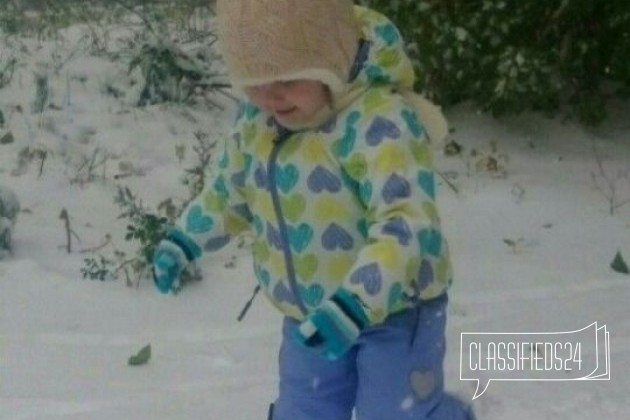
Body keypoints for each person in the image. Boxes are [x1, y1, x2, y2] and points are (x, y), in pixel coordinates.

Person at [152, 1, 474, 419]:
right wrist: (185, 240)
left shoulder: (379, 122)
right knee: (304, 411)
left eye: (286, 78)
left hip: (395, 310)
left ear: (329, 60)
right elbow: (229, 192)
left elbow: (406, 222)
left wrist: (357, 302)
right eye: (254, 81)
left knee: (395, 412)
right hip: (310, 316)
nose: (270, 97)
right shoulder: (258, 123)